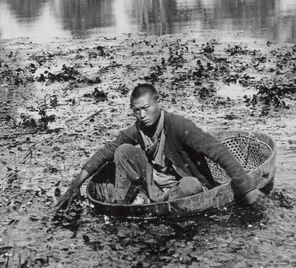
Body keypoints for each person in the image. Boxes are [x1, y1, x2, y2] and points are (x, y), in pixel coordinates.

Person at [56, 84, 264, 211]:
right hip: (154, 185)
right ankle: (125, 203)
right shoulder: (138, 129)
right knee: (122, 151)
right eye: (136, 110)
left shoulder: (178, 126)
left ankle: (153, 203)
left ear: (158, 102)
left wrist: (246, 188)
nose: (142, 115)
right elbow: (106, 152)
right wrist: (76, 184)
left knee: (190, 184)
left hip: (181, 185)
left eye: (146, 108)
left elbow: (219, 152)